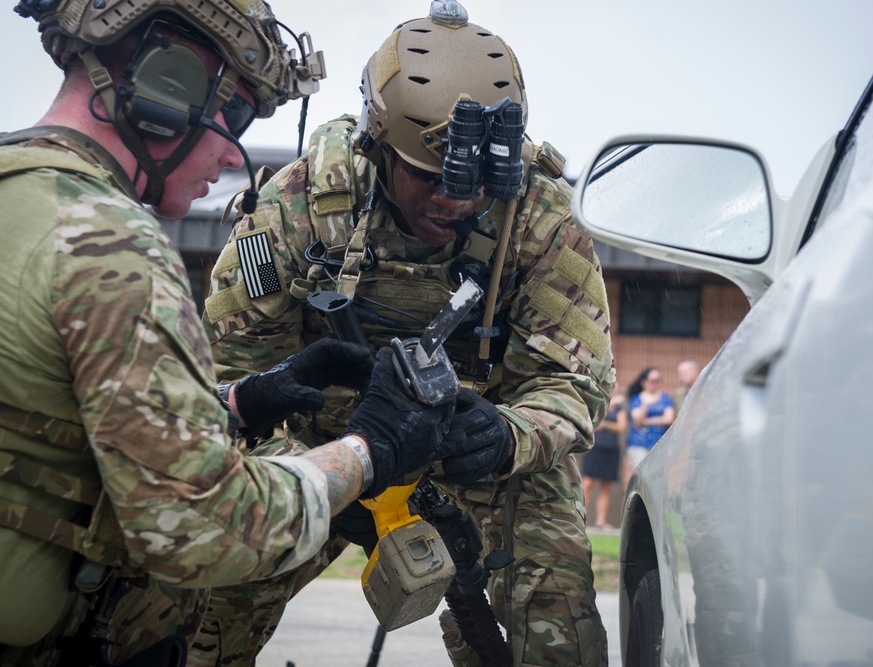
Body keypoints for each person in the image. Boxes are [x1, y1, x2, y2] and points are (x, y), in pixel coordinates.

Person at [0, 1, 467, 664]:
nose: (229, 156)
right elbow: (204, 528)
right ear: (172, 85)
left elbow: (41, 420)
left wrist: (242, 402)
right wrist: (369, 448)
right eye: (237, 115)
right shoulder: (109, 246)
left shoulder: (20, 191)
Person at [200, 2, 616, 664]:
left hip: (480, 458)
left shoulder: (538, 218)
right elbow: (228, 377)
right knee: (202, 590)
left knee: (555, 619)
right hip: (323, 446)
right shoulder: (301, 205)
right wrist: (325, 466)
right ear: (376, 146)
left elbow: (574, 382)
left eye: (479, 182)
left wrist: (511, 434)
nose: (455, 199)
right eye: (430, 175)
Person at [582, 392, 627, 530]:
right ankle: (579, 517)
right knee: (588, 482)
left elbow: (621, 427)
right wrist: (611, 404)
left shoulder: (620, 409)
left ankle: (600, 521)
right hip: (594, 447)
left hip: (611, 449)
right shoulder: (596, 402)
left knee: (606, 486)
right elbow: (590, 419)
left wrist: (605, 424)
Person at [625, 367, 675, 477]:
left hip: (659, 445)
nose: (656, 384)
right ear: (644, 382)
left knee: (657, 476)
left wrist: (648, 421)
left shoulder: (665, 398)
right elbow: (638, 420)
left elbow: (669, 419)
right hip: (639, 444)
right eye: (653, 381)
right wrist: (645, 404)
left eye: (658, 380)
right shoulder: (636, 399)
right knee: (641, 476)